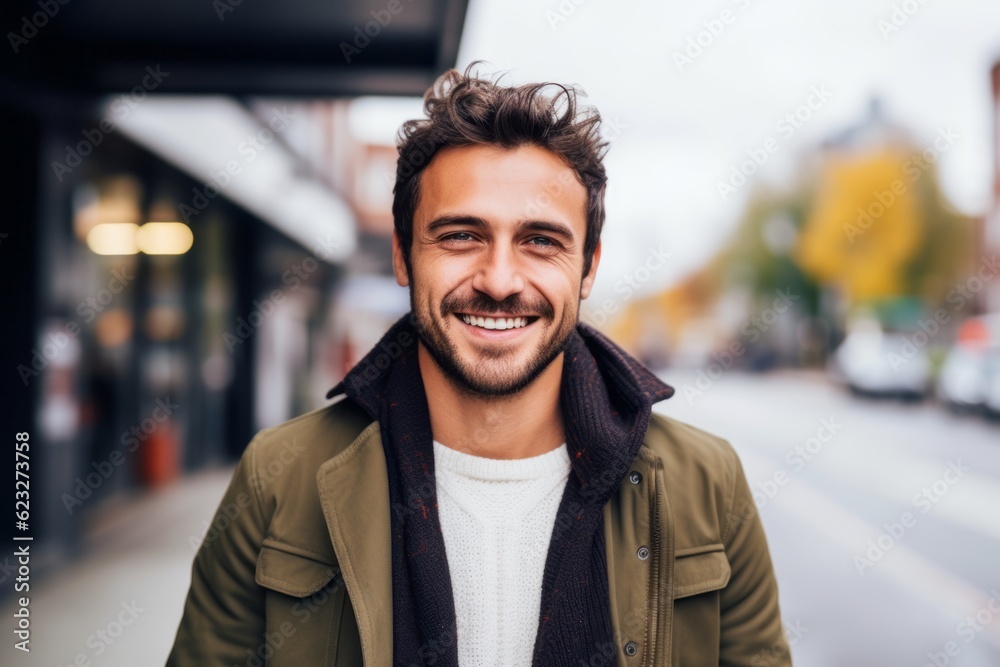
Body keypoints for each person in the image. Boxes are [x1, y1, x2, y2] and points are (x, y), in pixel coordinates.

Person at [166, 63, 791, 667]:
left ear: (589, 267)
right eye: (461, 235)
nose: (498, 280)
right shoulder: (278, 478)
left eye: (541, 241)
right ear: (404, 256)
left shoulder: (707, 485)